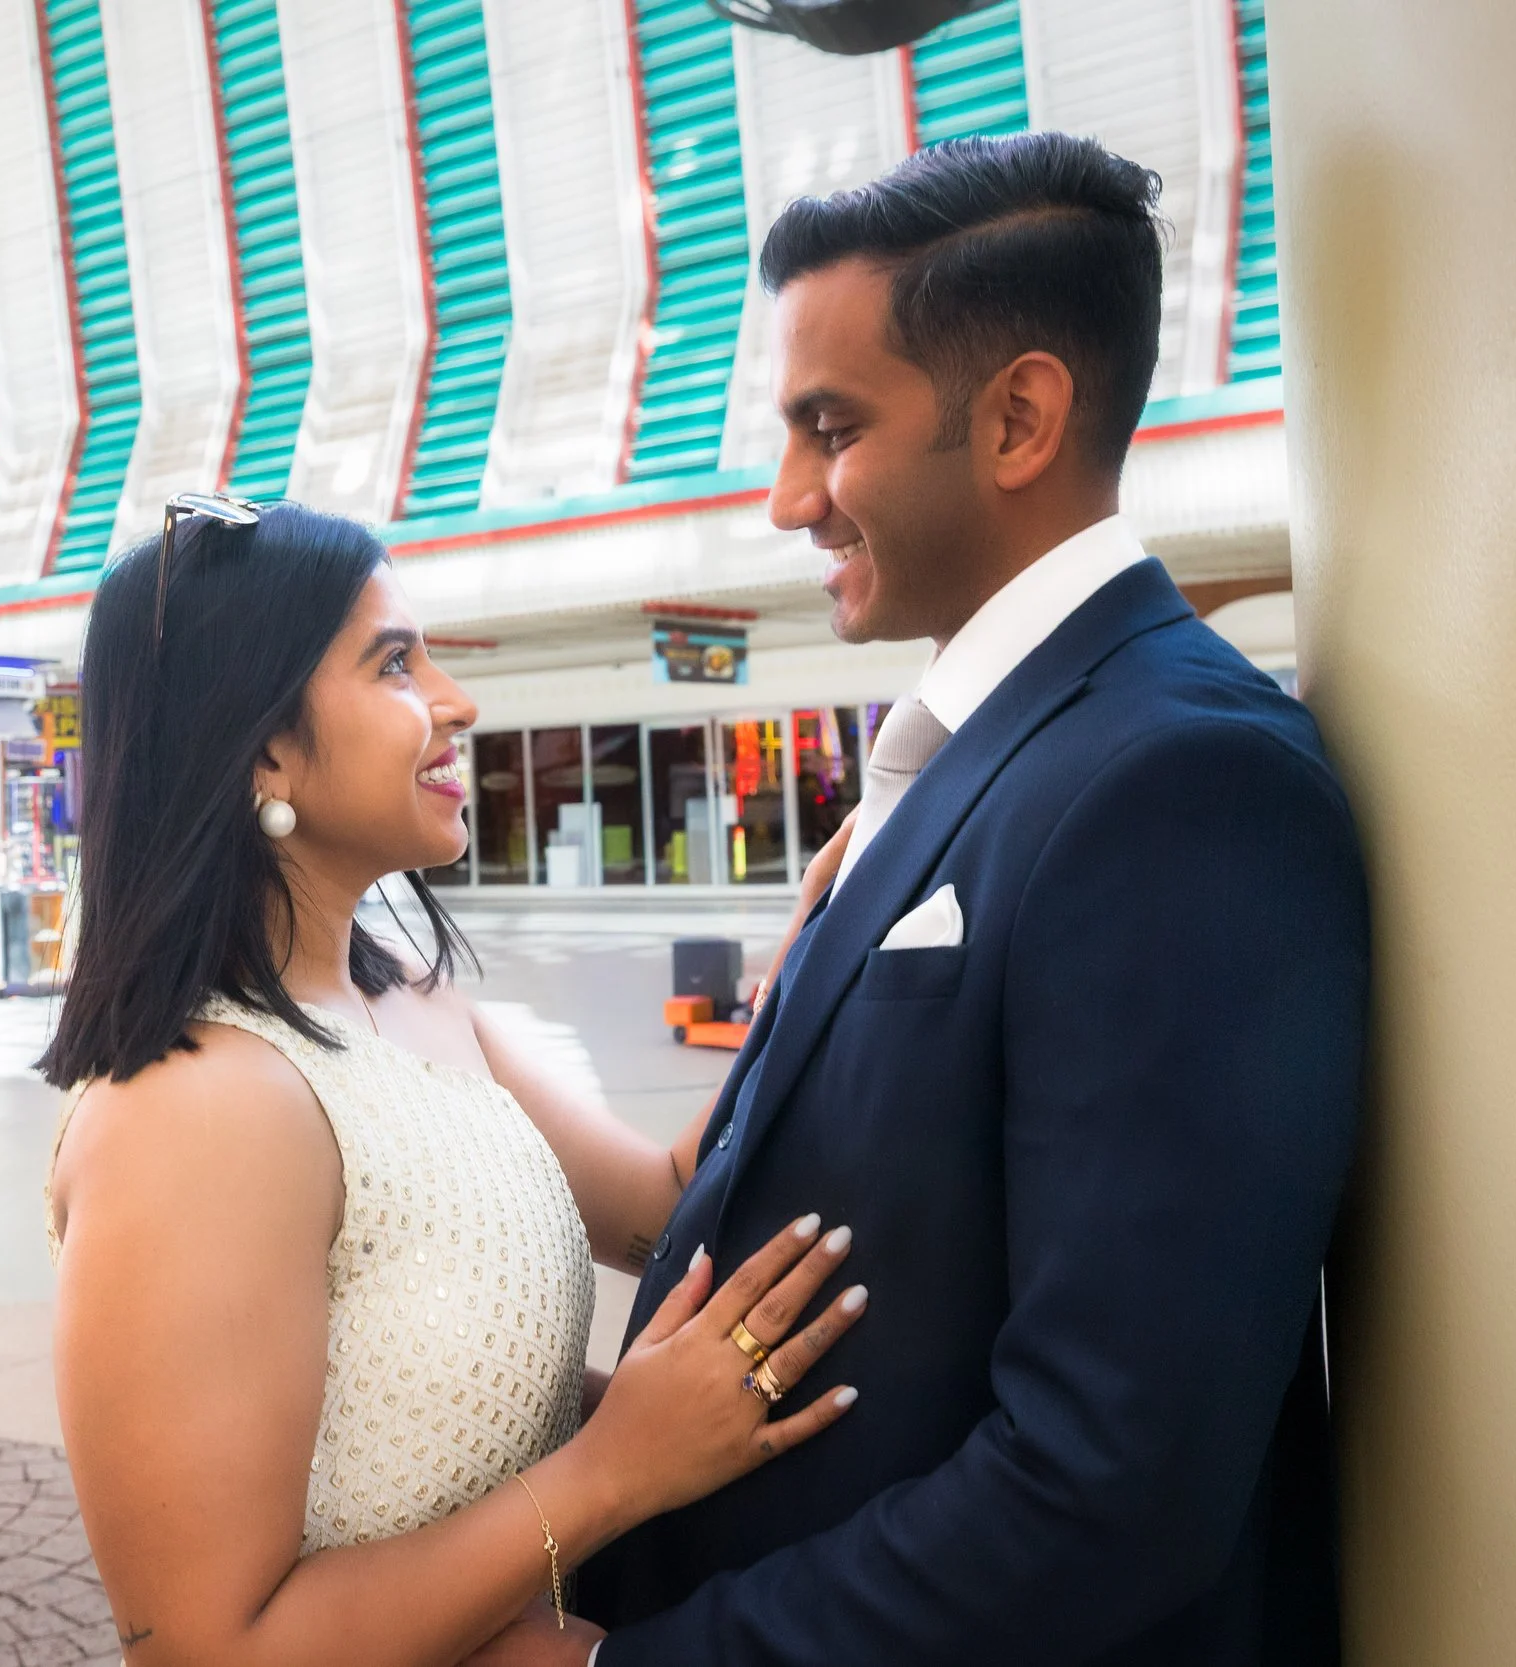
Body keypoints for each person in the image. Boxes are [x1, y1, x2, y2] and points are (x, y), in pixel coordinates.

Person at [471, 133, 1371, 1667]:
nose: (784, 498)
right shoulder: (991, 758)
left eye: (831, 429)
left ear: (1020, 414)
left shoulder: (1177, 781)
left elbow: (1111, 1483)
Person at [38, 500, 872, 1667]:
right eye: (392, 661)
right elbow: (207, 1650)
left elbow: (662, 1206)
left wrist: (811, 956)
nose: (456, 699)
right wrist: (611, 1468)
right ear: (264, 746)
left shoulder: (421, 1003)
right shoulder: (194, 1110)